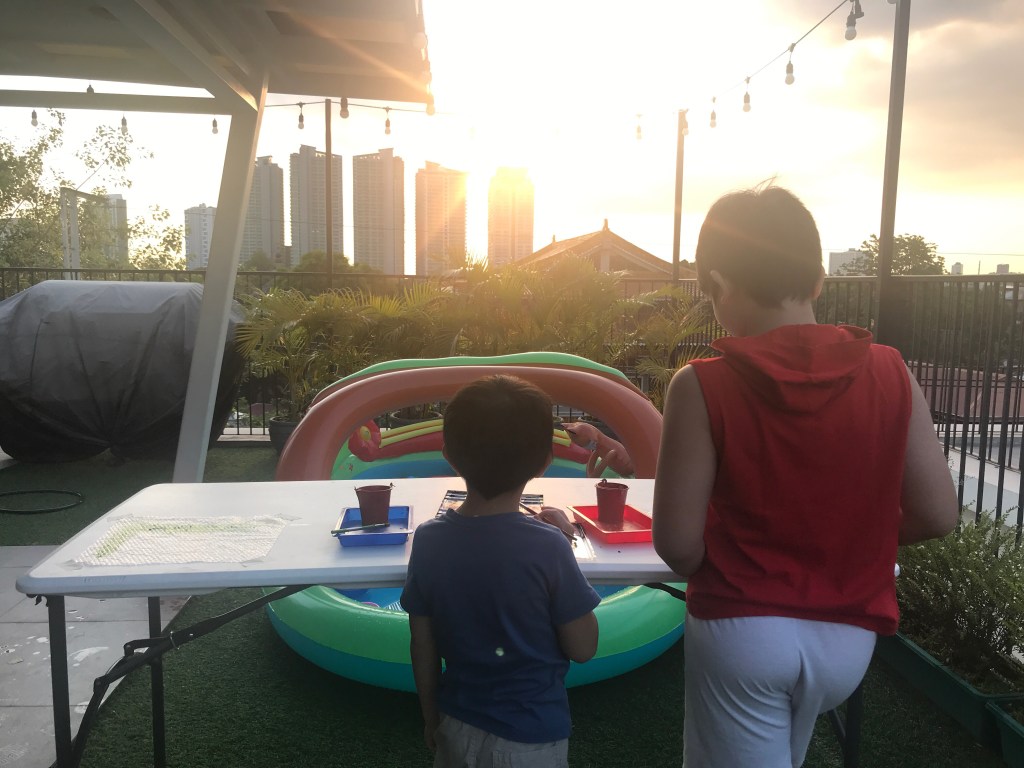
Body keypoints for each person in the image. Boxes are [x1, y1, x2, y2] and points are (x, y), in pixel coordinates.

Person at [651, 184, 959, 768]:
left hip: (742, 631)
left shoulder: (702, 384)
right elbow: (939, 515)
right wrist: (849, 538)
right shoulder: (892, 371)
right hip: (848, 639)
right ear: (818, 281)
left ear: (717, 283)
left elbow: (677, 544)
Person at [401, 374, 601, 768]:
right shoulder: (549, 546)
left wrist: (431, 718)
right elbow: (584, 648)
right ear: (545, 461)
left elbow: (422, 644)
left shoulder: (428, 539)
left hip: (455, 726)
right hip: (532, 739)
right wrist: (564, 542)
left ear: (448, 453)